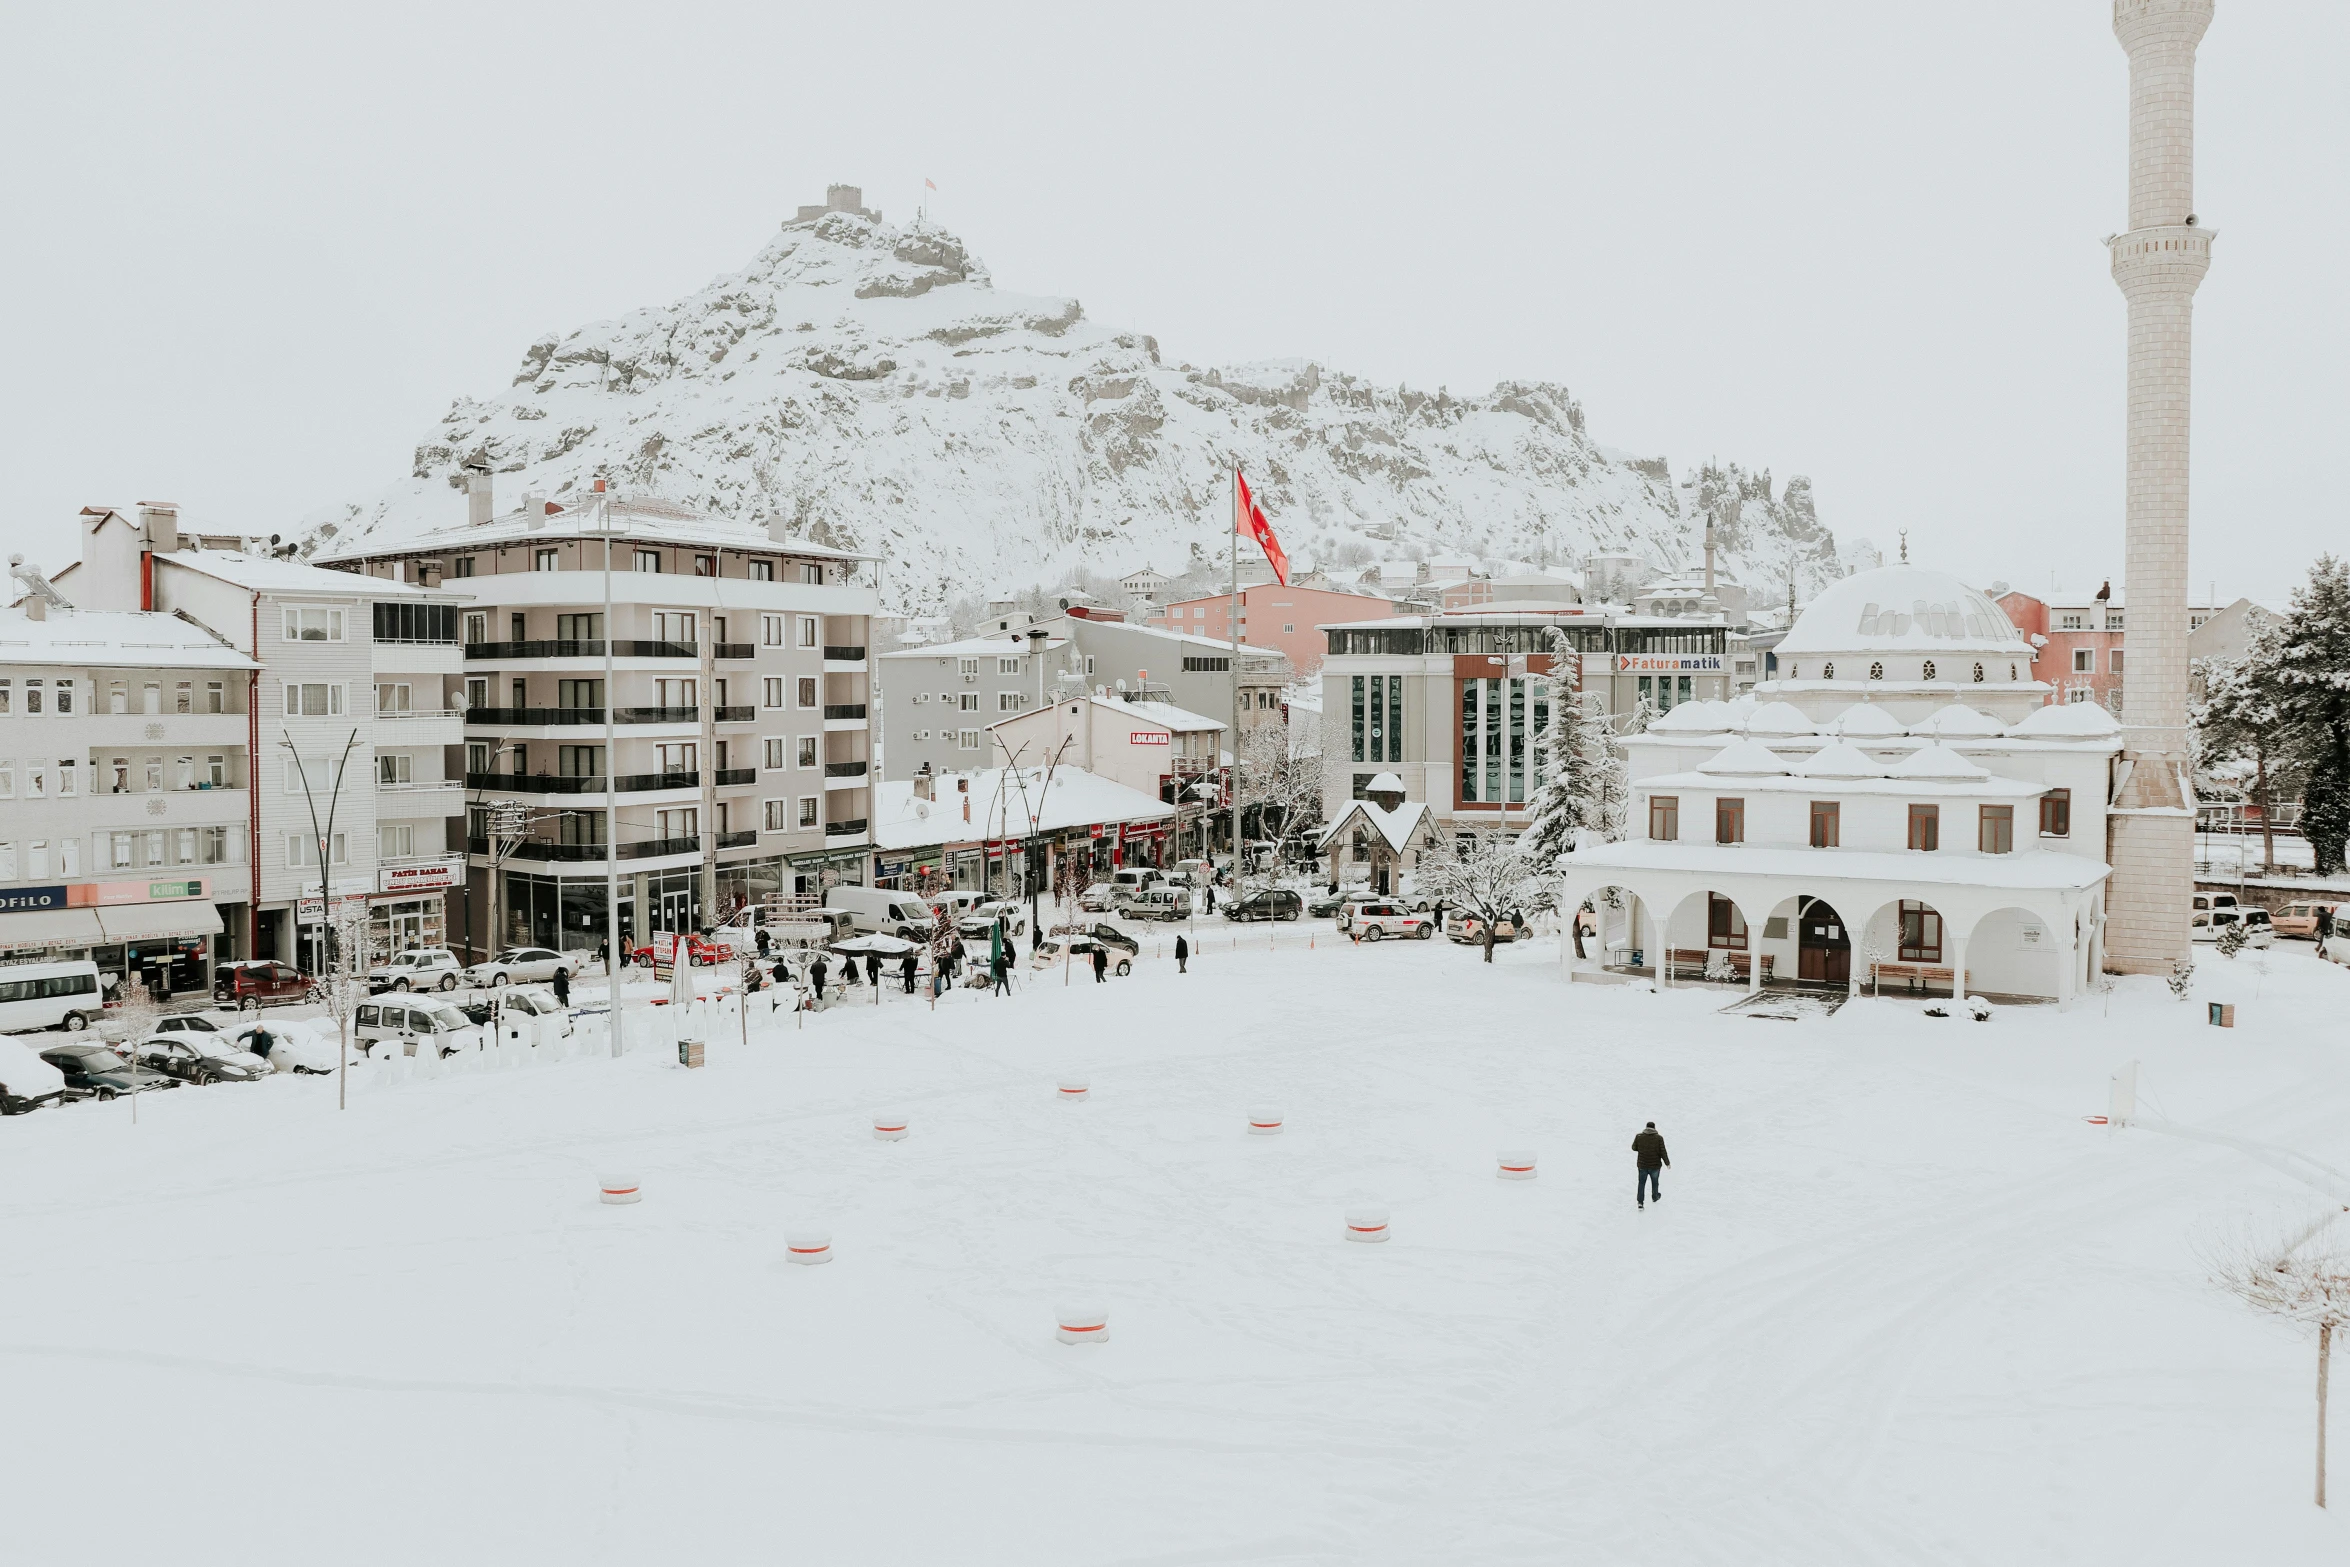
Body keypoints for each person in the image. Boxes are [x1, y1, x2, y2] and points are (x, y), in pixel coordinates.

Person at [1632, 1121, 1670, 1209]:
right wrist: (1667, 1163)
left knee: (1641, 1183)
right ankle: (1655, 1196)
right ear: (1654, 1128)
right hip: (1655, 1166)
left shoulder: (1639, 1137)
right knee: (1655, 1182)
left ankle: (1640, 1202)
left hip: (1642, 1165)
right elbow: (1663, 1152)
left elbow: (1634, 1148)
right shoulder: (1659, 1138)